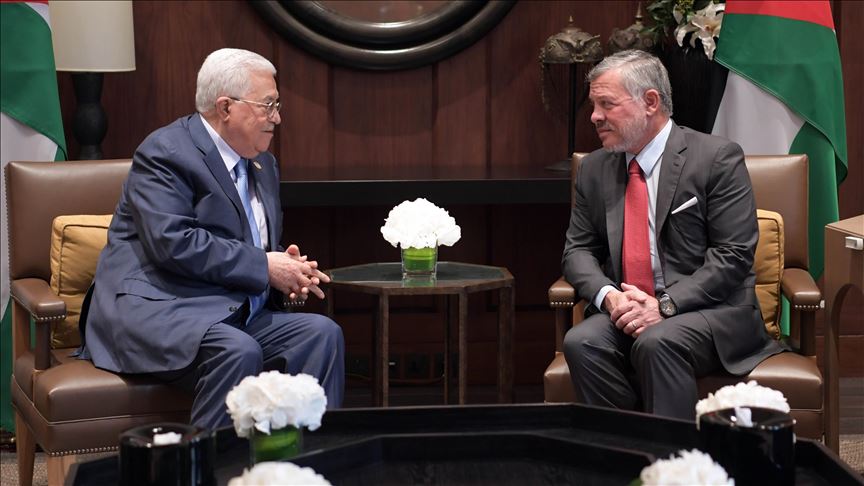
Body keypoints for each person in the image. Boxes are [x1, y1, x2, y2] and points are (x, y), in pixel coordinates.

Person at [81, 48, 344, 429]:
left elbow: (247, 243)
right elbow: (172, 242)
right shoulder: (165, 153)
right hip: (163, 307)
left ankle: (303, 459)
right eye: (268, 105)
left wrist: (285, 273)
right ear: (225, 107)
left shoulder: (263, 163)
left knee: (321, 334)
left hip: (228, 307)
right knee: (236, 350)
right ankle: (208, 461)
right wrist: (263, 265)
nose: (277, 117)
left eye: (277, 105)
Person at [561, 49, 781, 420]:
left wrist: (664, 306)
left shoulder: (716, 158)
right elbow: (577, 251)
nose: (594, 116)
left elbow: (733, 255)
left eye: (606, 104)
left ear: (650, 102)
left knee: (657, 341)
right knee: (581, 341)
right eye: (594, 105)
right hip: (628, 308)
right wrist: (610, 297)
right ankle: (622, 447)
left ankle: (673, 453)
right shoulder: (594, 169)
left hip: (709, 311)